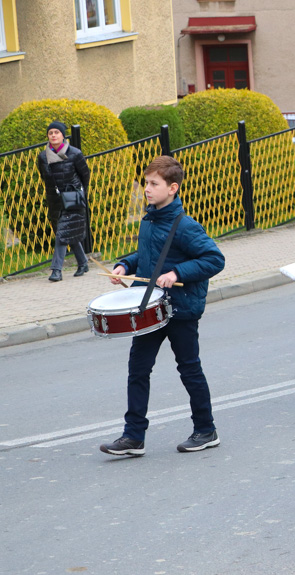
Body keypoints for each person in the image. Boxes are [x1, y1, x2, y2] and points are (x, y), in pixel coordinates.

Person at [99, 156, 226, 456]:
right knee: (138, 369)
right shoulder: (149, 219)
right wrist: (123, 265)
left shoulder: (185, 226)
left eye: (153, 184)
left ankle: (206, 430)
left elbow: (214, 259)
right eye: (145, 183)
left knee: (189, 369)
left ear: (172, 188)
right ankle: (133, 437)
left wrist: (177, 273)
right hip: (150, 307)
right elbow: (147, 254)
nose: (147, 189)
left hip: (180, 309)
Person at [37, 121, 90, 282]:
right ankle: (83, 262)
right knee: (67, 231)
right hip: (55, 200)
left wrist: (79, 192)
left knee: (62, 233)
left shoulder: (75, 153)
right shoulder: (42, 156)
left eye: (56, 132)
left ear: (62, 135)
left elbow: (85, 175)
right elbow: (44, 177)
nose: (53, 135)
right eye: (50, 132)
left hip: (72, 198)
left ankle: (56, 270)